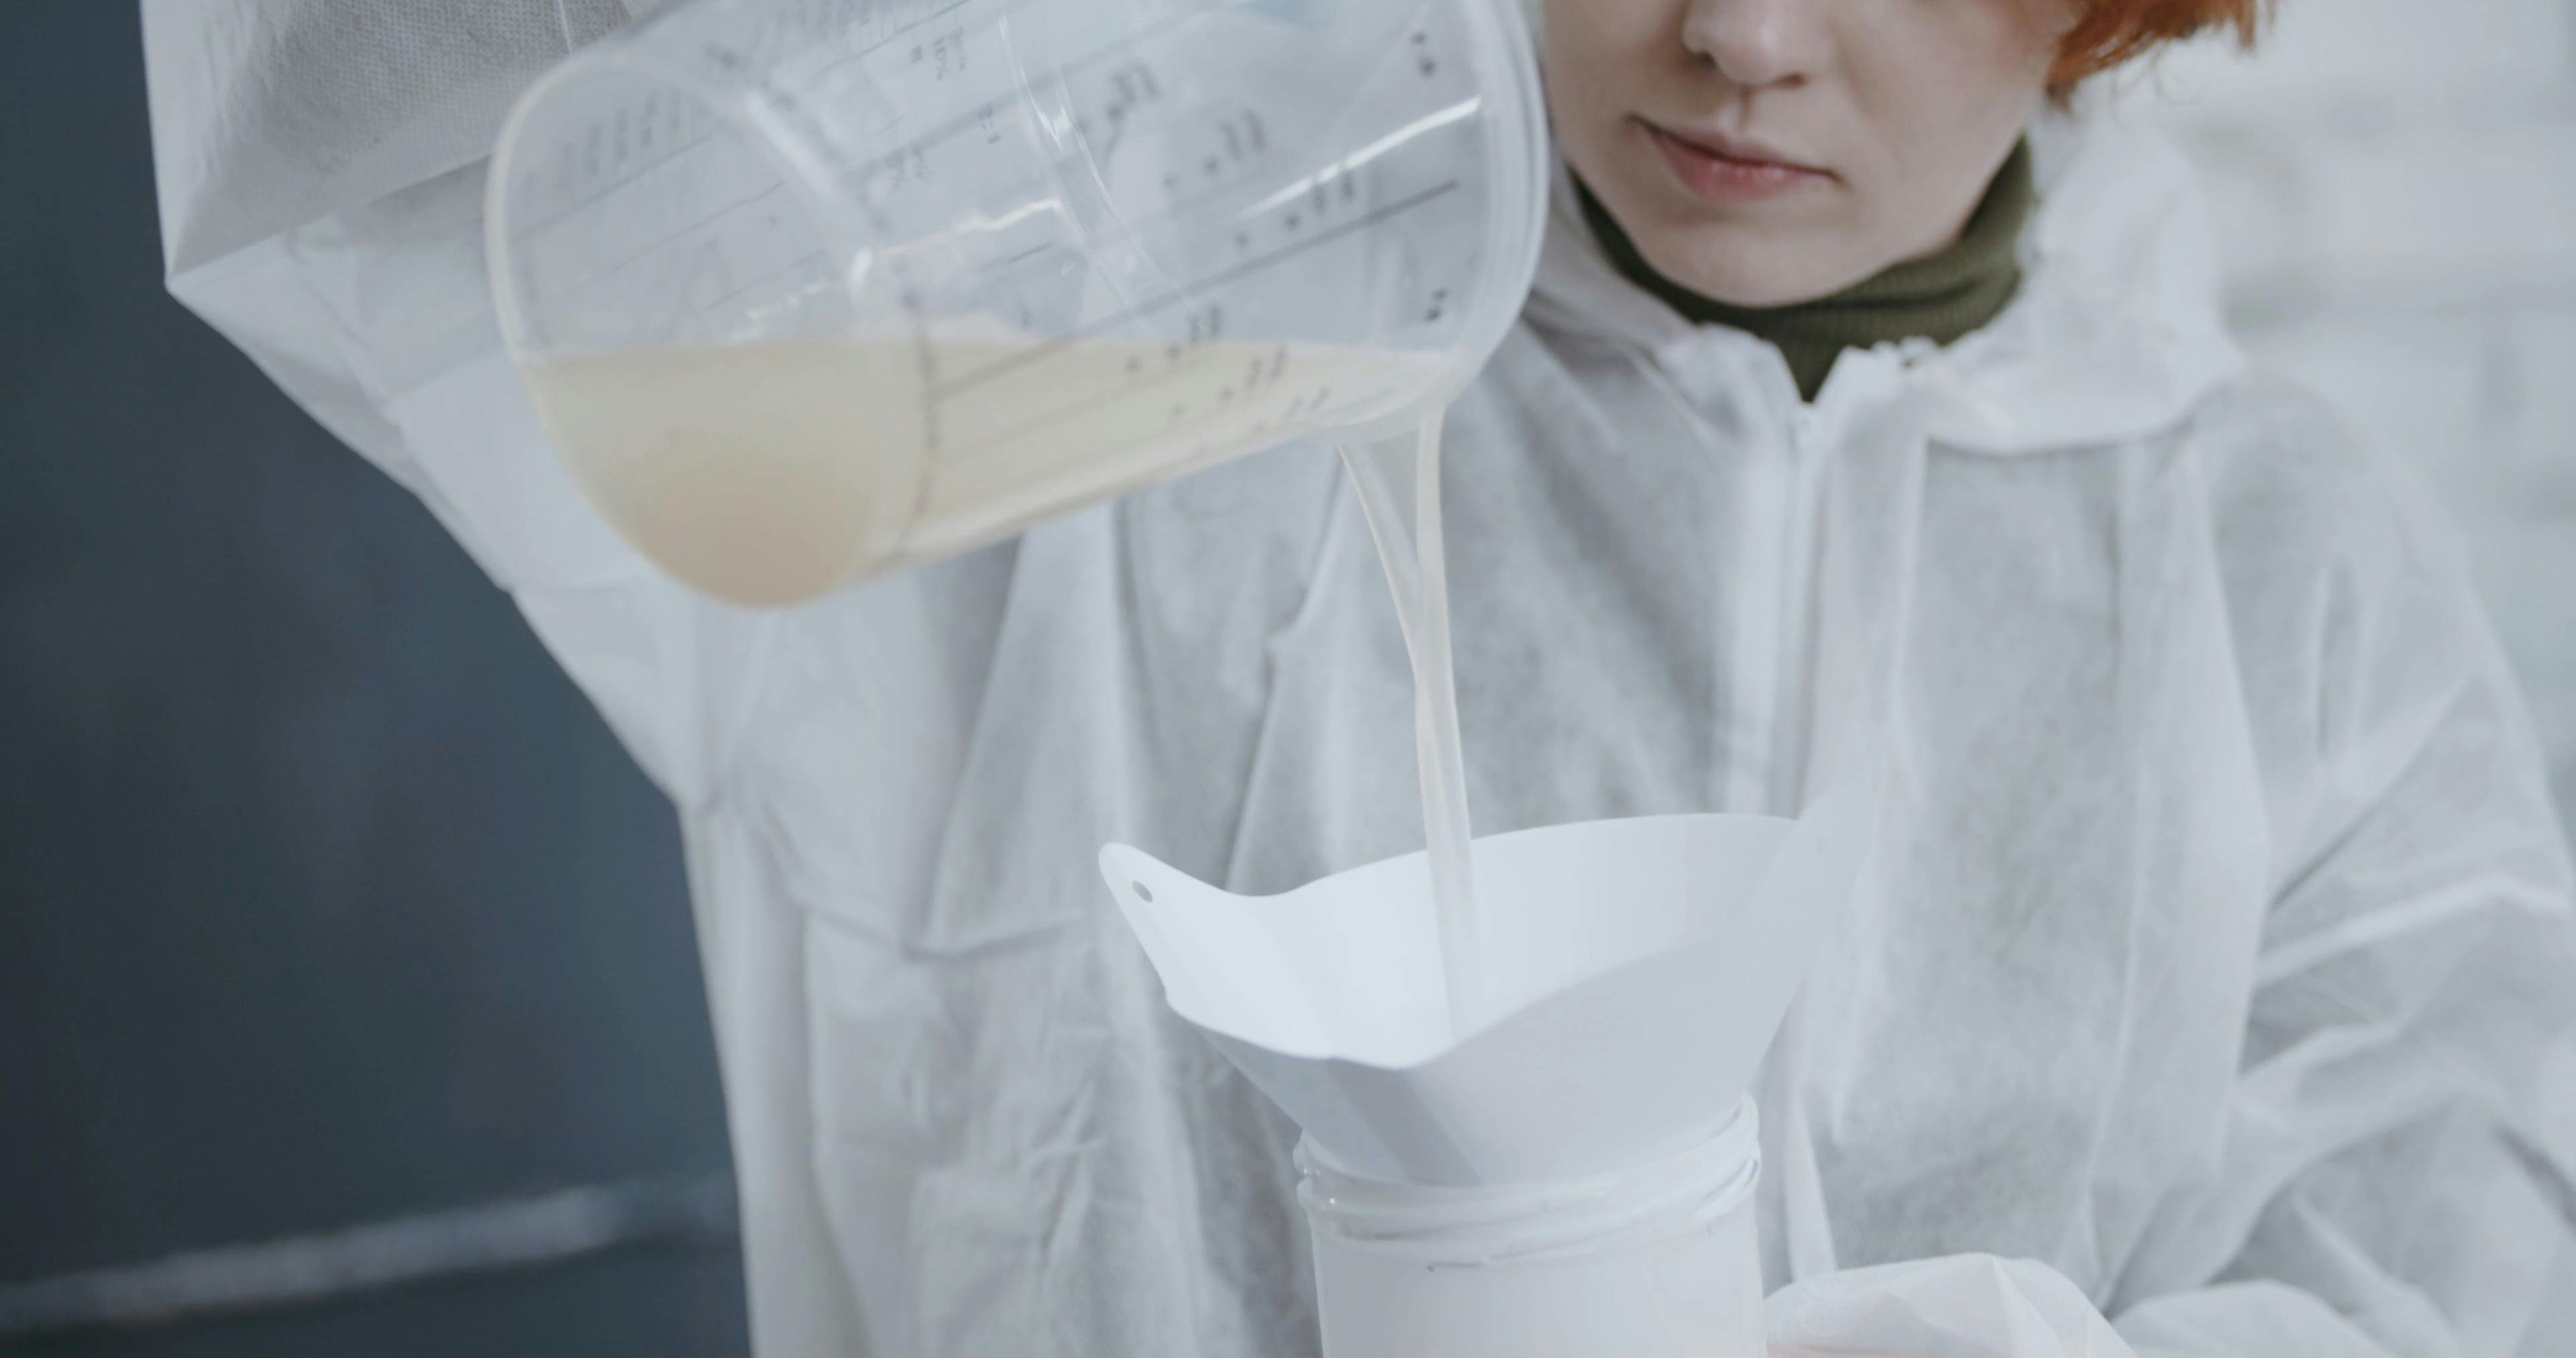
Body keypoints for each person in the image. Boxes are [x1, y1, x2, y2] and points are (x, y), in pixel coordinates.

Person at [149, 0, 2576, 1353]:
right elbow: (342, 159)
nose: (1740, 36)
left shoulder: (2291, 589)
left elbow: (2441, 1292)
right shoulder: (1115, 390)